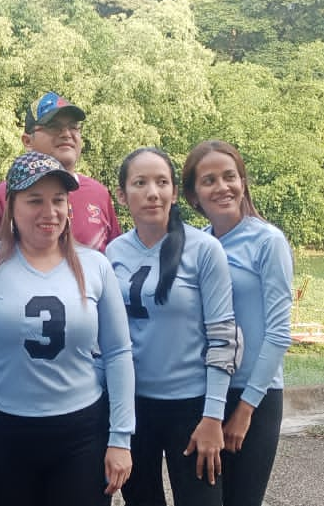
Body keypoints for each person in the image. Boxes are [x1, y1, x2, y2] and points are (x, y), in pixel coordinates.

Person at [0, 151, 135, 506]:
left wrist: (120, 439)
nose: (49, 212)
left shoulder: (95, 265)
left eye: (58, 200)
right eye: (34, 200)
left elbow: (118, 352)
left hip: (81, 433)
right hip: (6, 431)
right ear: (11, 205)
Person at [105, 148, 242, 506]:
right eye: (140, 183)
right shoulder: (112, 253)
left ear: (174, 192)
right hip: (134, 406)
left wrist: (213, 416)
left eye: (162, 182)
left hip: (192, 408)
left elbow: (224, 337)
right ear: (122, 195)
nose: (153, 192)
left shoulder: (204, 249)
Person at [182, 140, 292, 506]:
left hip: (253, 395)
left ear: (243, 182)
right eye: (208, 180)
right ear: (194, 194)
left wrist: (246, 409)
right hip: (206, 392)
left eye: (230, 176)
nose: (222, 187)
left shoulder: (268, 241)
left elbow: (278, 332)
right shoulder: (195, 244)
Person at [0, 92, 121, 251]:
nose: (66, 134)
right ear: (27, 141)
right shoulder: (1, 197)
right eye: (53, 127)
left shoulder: (98, 193)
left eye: (73, 127)